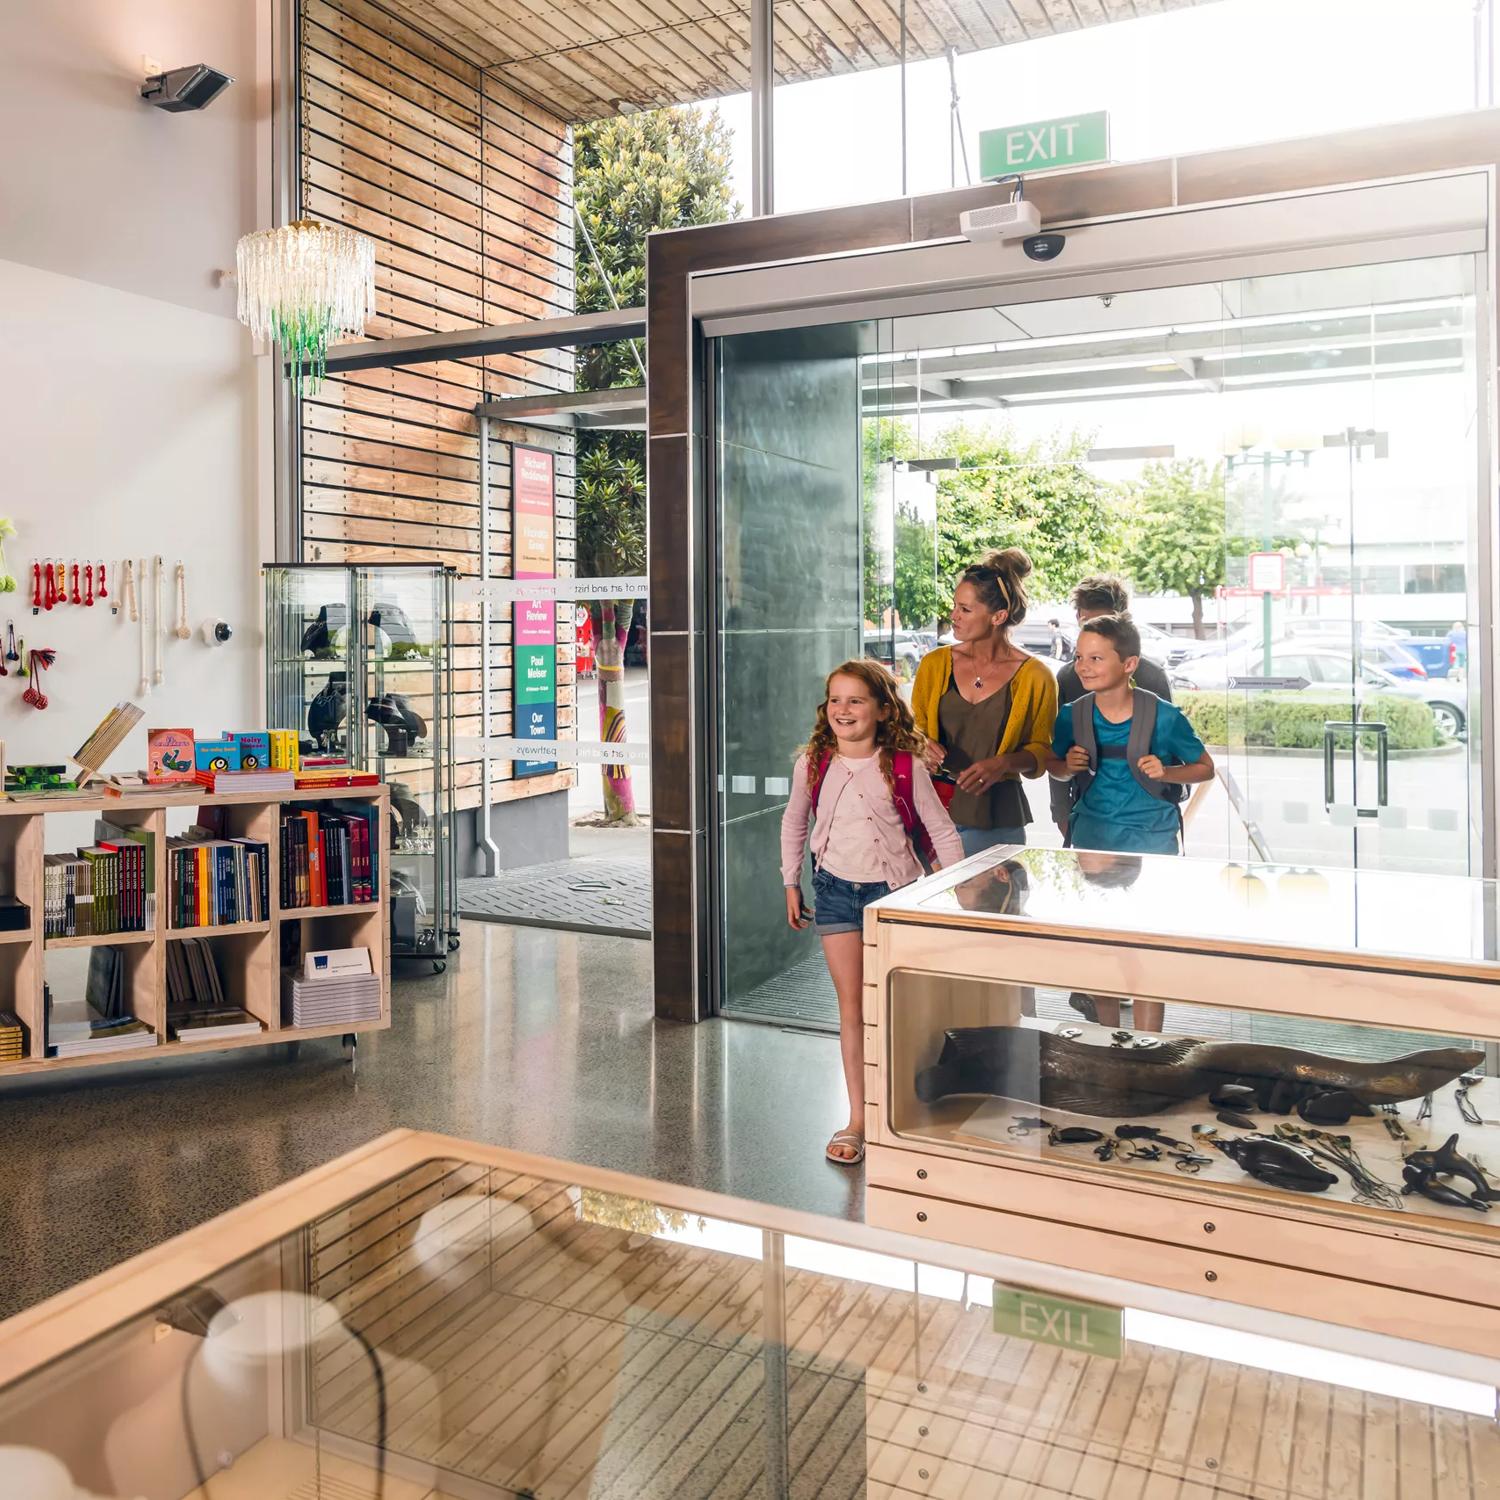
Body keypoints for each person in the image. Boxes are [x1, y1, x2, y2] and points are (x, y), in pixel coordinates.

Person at [781, 659, 964, 1166]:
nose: (843, 709)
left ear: (883, 710)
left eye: (856, 700)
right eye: (835, 699)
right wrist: (790, 881)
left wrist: (958, 894)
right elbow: (794, 823)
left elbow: (943, 832)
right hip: (834, 891)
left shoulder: (903, 765)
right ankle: (859, 1120)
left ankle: (903, 1106)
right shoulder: (812, 763)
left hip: (894, 894)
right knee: (852, 1010)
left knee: (895, 1008)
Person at [1047, 615, 1214, 1031]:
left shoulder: (1165, 717)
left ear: (1129, 664)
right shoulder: (1071, 716)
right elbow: (1053, 767)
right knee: (1102, 944)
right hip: (1092, 840)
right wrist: (1065, 766)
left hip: (1152, 843)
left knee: (1147, 945)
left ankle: (1148, 1042)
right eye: (1079, 656)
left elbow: (1204, 767)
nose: (1083, 666)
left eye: (1096, 658)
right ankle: (1108, 1036)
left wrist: (1168, 773)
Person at [912, 548, 1058, 857]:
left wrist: (1004, 763)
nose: (953, 616)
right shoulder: (933, 665)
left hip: (996, 816)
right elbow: (913, 731)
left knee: (993, 905)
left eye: (964, 609)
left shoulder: (1036, 676)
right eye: (954, 606)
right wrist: (921, 745)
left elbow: (1043, 752)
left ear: (998, 616)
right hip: (932, 810)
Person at [1053, 575, 1175, 838]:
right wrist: (1061, 812)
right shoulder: (1068, 678)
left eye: (1105, 623)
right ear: (1078, 618)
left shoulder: (1151, 676)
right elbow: (1058, 752)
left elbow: (1172, 752)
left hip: (1147, 815)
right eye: (1088, 622)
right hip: (1088, 809)